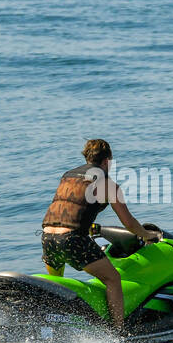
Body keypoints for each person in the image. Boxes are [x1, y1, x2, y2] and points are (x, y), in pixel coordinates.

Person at [41, 139, 160, 332]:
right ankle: (118, 334)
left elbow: (70, 207)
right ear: (107, 161)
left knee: (57, 287)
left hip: (48, 237)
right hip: (71, 239)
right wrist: (147, 235)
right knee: (113, 279)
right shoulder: (107, 184)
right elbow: (128, 223)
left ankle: (55, 330)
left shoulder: (68, 176)